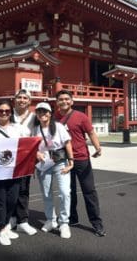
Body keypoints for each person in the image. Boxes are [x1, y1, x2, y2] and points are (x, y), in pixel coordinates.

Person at [55, 89, 106, 237]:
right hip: (63, 159)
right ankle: (72, 218)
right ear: (57, 102)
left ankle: (97, 223)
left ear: (72, 101)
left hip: (81, 158)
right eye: (61, 99)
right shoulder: (54, 117)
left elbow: (91, 133)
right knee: (68, 191)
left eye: (67, 99)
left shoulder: (81, 116)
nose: (64, 101)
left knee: (89, 191)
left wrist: (98, 148)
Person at [0, 100, 29, 246]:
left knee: (12, 200)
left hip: (15, 171)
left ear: (11, 113)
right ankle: (1, 228)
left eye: (7, 111)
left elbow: (27, 145)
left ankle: (4, 225)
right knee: (0, 201)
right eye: (1, 111)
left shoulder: (18, 128)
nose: (4, 113)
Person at [34, 102, 74, 239]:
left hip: (59, 162)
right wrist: (36, 154)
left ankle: (64, 223)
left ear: (50, 113)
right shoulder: (35, 129)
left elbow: (67, 143)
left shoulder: (58, 127)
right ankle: (50, 220)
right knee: (46, 193)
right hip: (43, 164)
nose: (42, 114)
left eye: (45, 112)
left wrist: (71, 161)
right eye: (39, 112)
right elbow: (32, 146)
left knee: (64, 192)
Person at [10, 89, 37, 235]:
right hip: (9, 157)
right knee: (9, 189)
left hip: (27, 158)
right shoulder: (7, 114)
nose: (22, 100)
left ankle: (22, 220)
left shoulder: (34, 117)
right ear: (14, 99)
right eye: (19, 97)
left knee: (23, 189)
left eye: (25, 98)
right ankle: (10, 217)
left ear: (29, 101)